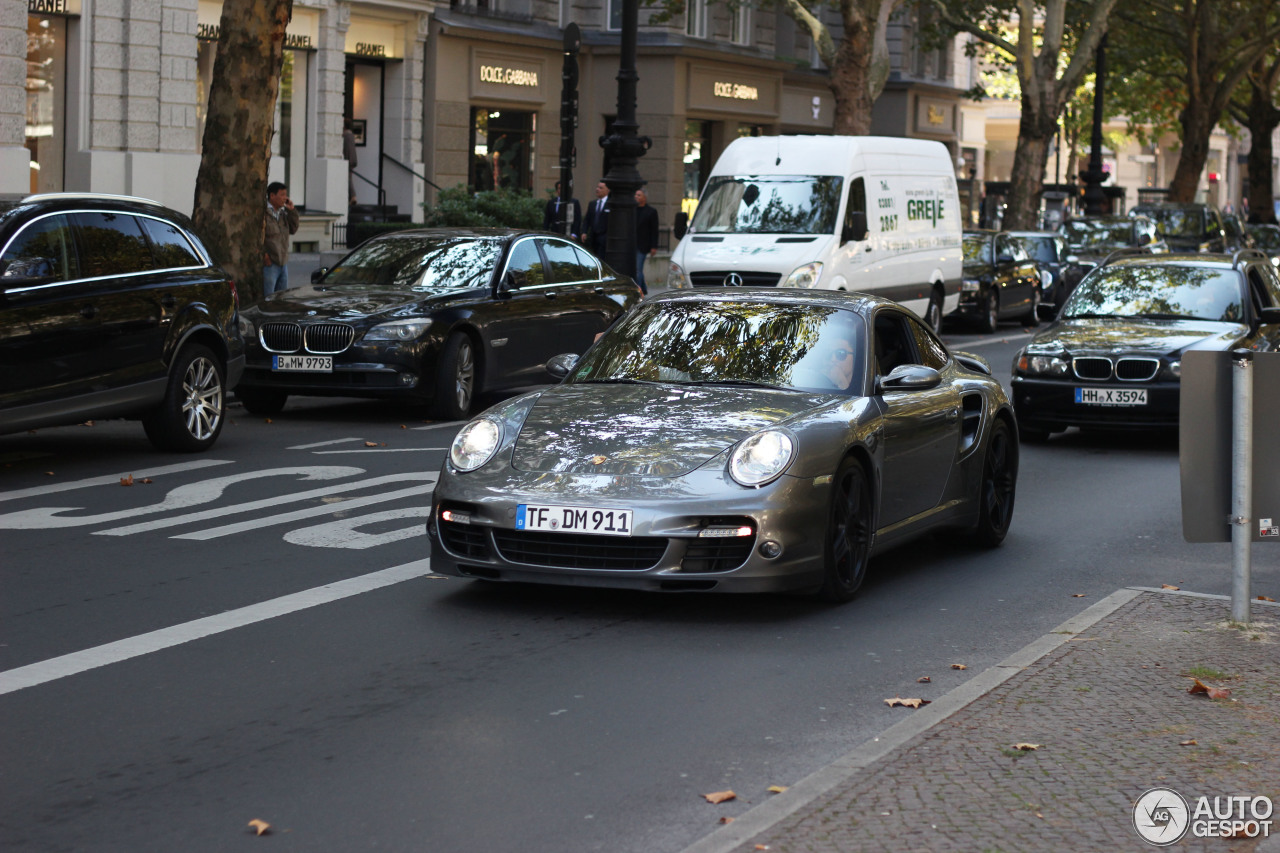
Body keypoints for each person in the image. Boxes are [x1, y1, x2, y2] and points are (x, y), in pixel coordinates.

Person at [263, 181, 299, 296]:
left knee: (282, 296)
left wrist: (292, 211)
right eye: (282, 195)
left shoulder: (283, 214)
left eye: (286, 195)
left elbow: (293, 229)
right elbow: (258, 237)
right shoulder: (264, 213)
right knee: (269, 296)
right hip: (270, 263)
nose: (285, 198)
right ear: (272, 196)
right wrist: (264, 255)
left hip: (283, 262)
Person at [634, 188, 659, 294]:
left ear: (645, 197)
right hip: (632, 244)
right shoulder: (632, 210)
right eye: (635, 195)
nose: (636, 197)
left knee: (638, 269)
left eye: (639, 195)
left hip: (643, 245)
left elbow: (654, 230)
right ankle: (643, 289)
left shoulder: (651, 212)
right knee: (638, 269)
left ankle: (638, 291)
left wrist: (654, 246)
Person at [581, 180, 610, 255]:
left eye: (601, 188)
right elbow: (587, 219)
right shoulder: (592, 204)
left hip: (604, 239)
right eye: (597, 187)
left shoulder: (610, 204)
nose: (597, 189)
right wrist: (584, 232)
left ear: (607, 190)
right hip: (593, 238)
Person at [343, 121, 358, 207]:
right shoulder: (351, 136)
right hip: (352, 160)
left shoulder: (346, 136)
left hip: (348, 160)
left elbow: (347, 150)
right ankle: (351, 197)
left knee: (348, 179)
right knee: (349, 178)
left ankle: (353, 196)